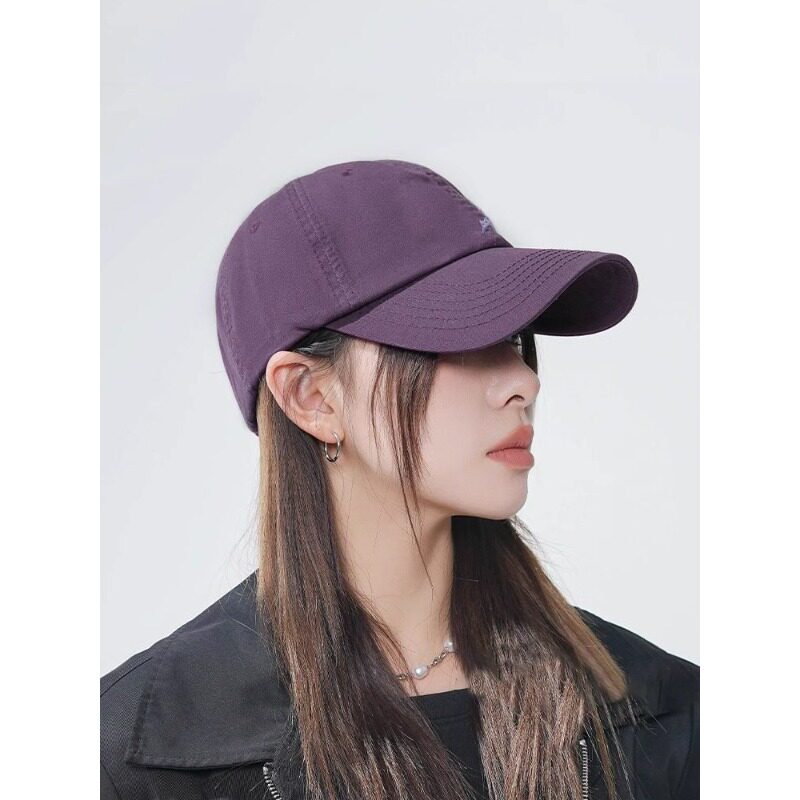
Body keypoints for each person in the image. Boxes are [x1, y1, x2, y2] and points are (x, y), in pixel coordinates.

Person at [101, 159, 699, 800]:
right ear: (311, 397)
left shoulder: (660, 711)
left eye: (515, 338)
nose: (524, 381)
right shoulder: (141, 757)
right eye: (458, 337)